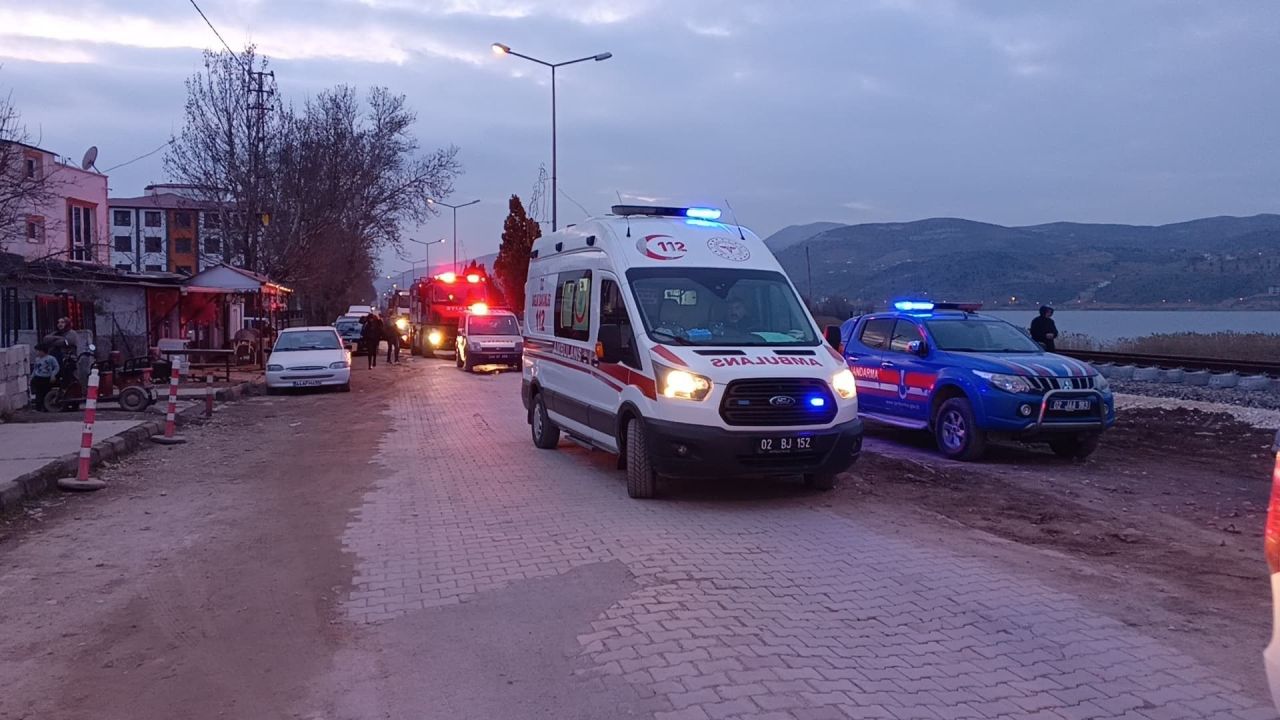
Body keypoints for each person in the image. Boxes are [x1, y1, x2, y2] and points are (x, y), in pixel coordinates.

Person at [31, 343, 59, 411]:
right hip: (38, 377)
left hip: (46, 378)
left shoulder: (51, 358)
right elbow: (35, 368)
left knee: (45, 393)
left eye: (37, 351)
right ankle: (38, 408)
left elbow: (56, 367)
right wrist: (32, 376)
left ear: (42, 351)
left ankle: (45, 407)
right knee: (38, 393)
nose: (36, 352)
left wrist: (53, 375)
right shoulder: (37, 359)